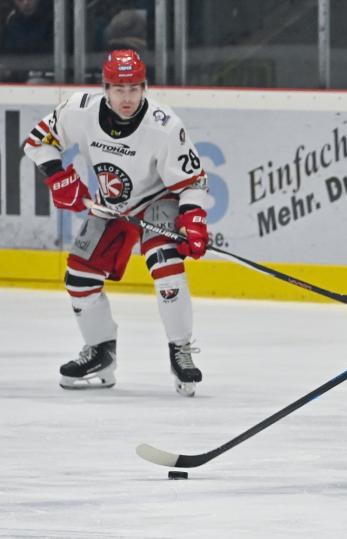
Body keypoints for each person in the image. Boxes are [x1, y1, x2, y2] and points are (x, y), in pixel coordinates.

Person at [22, 50, 209, 396]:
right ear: (105, 88)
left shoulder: (164, 125)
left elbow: (192, 180)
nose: (127, 98)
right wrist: (57, 176)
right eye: (120, 89)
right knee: (79, 278)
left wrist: (193, 219)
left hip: (158, 199)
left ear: (145, 87)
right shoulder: (79, 110)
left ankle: (179, 350)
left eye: (135, 89)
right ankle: (101, 353)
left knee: (165, 263)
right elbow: (37, 141)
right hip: (113, 205)